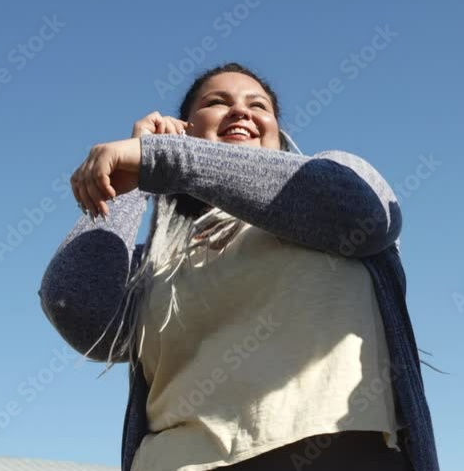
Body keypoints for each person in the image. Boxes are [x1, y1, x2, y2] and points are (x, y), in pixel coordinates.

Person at [39, 63, 439, 471]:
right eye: (217, 102)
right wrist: (129, 184)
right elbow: (77, 307)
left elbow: (360, 213)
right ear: (184, 131)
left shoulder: (338, 174)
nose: (241, 112)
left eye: (258, 105)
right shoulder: (158, 257)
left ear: (278, 134)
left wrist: (163, 159)